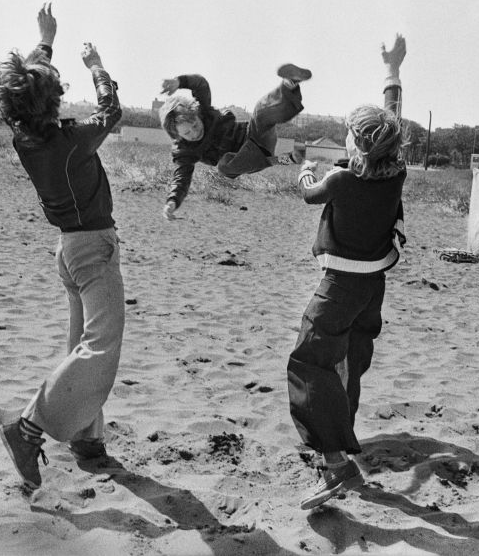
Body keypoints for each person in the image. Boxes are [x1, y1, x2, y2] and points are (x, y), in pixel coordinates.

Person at [0, 3, 125, 492]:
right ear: (51, 99)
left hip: (68, 249)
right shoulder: (71, 140)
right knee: (100, 347)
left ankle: (87, 439)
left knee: (80, 346)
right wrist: (96, 66)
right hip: (92, 250)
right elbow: (112, 112)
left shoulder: (24, 137)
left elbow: (23, 88)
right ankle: (27, 430)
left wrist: (45, 41)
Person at [288, 34, 407, 510]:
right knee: (350, 359)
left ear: (356, 143)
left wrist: (304, 169)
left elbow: (308, 194)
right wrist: (392, 69)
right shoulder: (395, 172)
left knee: (309, 362)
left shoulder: (340, 177)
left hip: (340, 284)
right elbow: (394, 119)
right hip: (372, 285)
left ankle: (335, 462)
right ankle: (341, 435)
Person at [158, 62, 312, 220]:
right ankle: (280, 159)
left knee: (259, 110)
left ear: (197, 114)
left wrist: (179, 81)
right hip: (244, 160)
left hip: (254, 136)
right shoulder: (184, 151)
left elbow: (200, 84)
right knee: (223, 166)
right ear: (176, 134)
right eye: (187, 133)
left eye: (196, 124)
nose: (194, 132)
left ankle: (290, 84)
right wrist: (172, 201)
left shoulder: (204, 110)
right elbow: (181, 178)